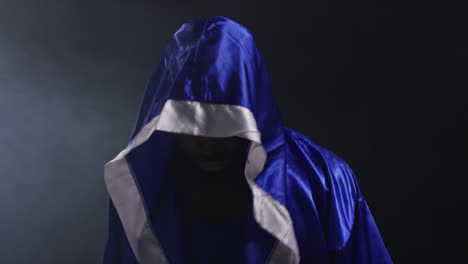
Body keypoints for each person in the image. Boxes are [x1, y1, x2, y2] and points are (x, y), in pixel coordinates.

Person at [102, 16, 392, 264]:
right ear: (166, 123)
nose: (210, 144)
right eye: (193, 127)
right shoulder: (138, 191)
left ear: (255, 113)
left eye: (226, 126)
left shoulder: (324, 180)